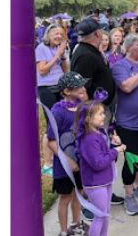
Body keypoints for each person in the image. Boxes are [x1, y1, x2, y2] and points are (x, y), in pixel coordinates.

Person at [111, 33, 138, 216]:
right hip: (128, 123)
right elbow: (127, 87)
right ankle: (129, 194)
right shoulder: (120, 66)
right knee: (131, 159)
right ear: (129, 47)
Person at [47, 72, 89, 236]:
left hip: (80, 162)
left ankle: (76, 224)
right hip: (64, 165)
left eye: (82, 85)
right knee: (65, 197)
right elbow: (51, 141)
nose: (83, 89)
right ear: (66, 91)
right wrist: (67, 161)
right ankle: (64, 231)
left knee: (78, 194)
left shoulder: (82, 108)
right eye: (78, 87)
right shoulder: (58, 112)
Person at [76, 100, 124, 236]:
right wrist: (116, 151)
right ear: (88, 118)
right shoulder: (89, 139)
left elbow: (103, 154)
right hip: (95, 184)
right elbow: (98, 163)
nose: (104, 116)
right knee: (100, 216)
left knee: (104, 214)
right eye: (100, 114)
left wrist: (113, 145)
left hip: (104, 181)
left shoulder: (98, 133)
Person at [37, 24, 70, 176]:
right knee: (52, 124)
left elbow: (66, 70)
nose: (58, 36)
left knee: (62, 123)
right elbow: (42, 70)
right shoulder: (41, 48)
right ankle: (47, 164)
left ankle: (59, 159)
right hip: (47, 89)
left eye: (61, 34)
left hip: (60, 88)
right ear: (48, 35)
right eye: (56, 34)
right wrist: (57, 55)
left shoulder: (60, 49)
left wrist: (62, 56)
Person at [70, 18, 114, 106]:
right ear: (98, 33)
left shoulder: (89, 50)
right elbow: (81, 89)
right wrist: (90, 110)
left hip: (99, 106)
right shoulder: (86, 55)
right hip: (94, 109)